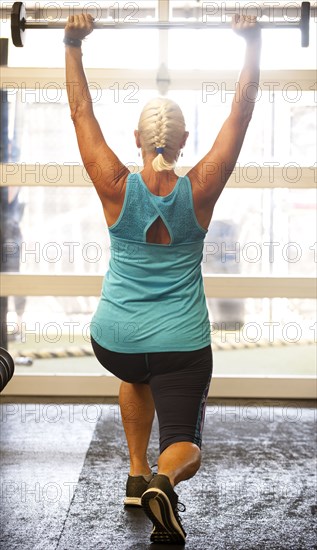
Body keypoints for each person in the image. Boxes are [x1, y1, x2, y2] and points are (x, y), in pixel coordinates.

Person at [64, 13, 261, 545]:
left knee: (137, 371)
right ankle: (161, 479)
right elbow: (240, 115)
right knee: (184, 439)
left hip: (115, 342)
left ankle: (134, 473)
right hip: (181, 345)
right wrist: (252, 43)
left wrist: (72, 43)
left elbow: (81, 110)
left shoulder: (112, 183)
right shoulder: (199, 188)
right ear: (183, 140)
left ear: (136, 137)